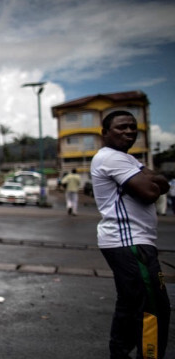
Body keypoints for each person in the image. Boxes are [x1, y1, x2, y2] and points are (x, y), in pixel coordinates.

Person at [90, 110, 170, 358]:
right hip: (130, 242)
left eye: (132, 127)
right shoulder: (112, 158)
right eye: (121, 127)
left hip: (129, 241)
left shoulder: (127, 160)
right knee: (153, 307)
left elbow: (163, 184)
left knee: (130, 303)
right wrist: (150, 179)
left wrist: (151, 179)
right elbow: (150, 192)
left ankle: (120, 353)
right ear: (104, 133)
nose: (129, 132)